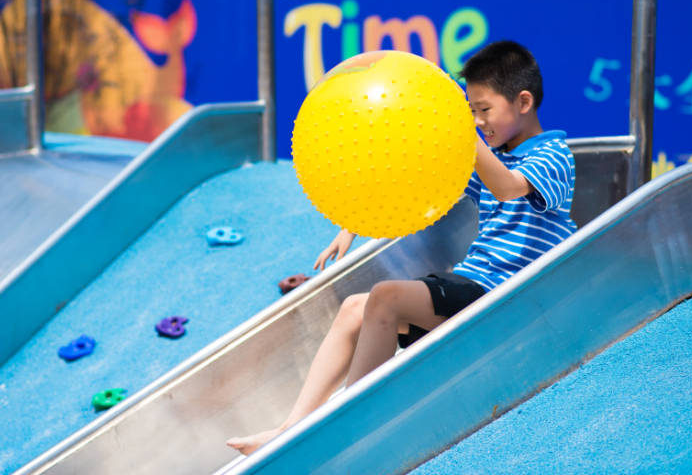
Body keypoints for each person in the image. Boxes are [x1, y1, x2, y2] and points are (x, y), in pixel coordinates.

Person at [226, 40, 577, 455]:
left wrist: (464, 135)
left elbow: (507, 188)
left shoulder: (553, 153)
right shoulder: (492, 154)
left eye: (483, 110)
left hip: (503, 296)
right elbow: (416, 184)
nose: (477, 122)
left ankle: (346, 425)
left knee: (386, 297)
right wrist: (351, 224)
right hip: (471, 287)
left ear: (523, 102)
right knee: (353, 308)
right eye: (470, 111)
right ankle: (290, 427)